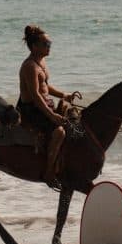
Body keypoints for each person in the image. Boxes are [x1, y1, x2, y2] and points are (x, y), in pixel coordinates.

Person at [17, 24, 82, 186]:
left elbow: (45, 86)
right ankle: (48, 172)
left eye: (49, 43)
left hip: (44, 104)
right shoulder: (29, 67)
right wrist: (52, 115)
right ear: (34, 47)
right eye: (46, 44)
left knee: (75, 120)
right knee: (59, 131)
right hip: (30, 109)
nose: (49, 46)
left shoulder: (42, 61)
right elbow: (36, 95)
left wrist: (64, 95)